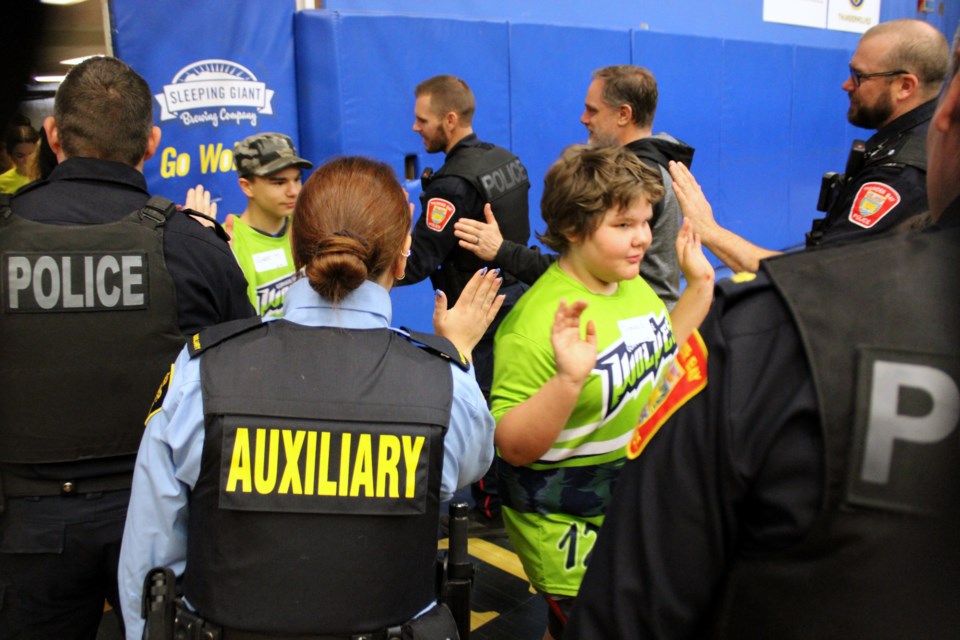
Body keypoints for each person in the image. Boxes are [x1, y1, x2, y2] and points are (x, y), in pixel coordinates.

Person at [565, 26, 960, 640]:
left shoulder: (764, 338)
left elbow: (638, 595)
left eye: (859, 76)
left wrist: (714, 239)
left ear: (939, 107)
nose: (845, 83)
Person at [119, 156, 504, 640]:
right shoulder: (445, 385)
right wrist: (457, 358)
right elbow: (471, 465)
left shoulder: (203, 371)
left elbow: (151, 560)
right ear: (405, 255)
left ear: (297, 250)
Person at [0, 56, 254, 640]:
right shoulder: (195, 248)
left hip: (24, 526)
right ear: (152, 141)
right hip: (158, 517)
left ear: (54, 134)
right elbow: (240, 387)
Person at [490, 144, 714, 640]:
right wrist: (568, 381)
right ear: (573, 227)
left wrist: (700, 288)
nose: (641, 239)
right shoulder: (535, 325)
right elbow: (512, 447)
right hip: (562, 518)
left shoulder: (628, 283)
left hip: (621, 500)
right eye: (623, 225)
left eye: (645, 221)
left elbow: (657, 356)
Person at [661, 18, 950, 273]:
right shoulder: (927, 139)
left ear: (905, 86)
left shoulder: (900, 174)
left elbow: (818, 276)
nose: (846, 86)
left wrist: (708, 230)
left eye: (859, 76)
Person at [454, 65, 694, 308]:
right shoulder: (662, 166)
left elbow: (580, 271)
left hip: (634, 324)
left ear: (624, 114)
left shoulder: (634, 179)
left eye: (593, 110)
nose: (584, 118)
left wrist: (501, 250)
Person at [405, 74, 532, 531]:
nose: (416, 129)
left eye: (423, 120)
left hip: (478, 311)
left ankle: (490, 506)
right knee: (512, 400)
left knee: (482, 407)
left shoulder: (452, 185)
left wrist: (368, 260)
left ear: (450, 119)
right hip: (517, 299)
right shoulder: (506, 161)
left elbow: (418, 262)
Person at [226, 132, 313, 317]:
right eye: (279, 183)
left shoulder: (307, 228)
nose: (294, 191)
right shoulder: (228, 242)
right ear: (247, 186)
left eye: (297, 179)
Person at [0, 121, 39, 193]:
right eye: (20, 156)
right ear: (10, 155)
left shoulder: (49, 176)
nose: (27, 160)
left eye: (31, 154)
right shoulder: (2, 183)